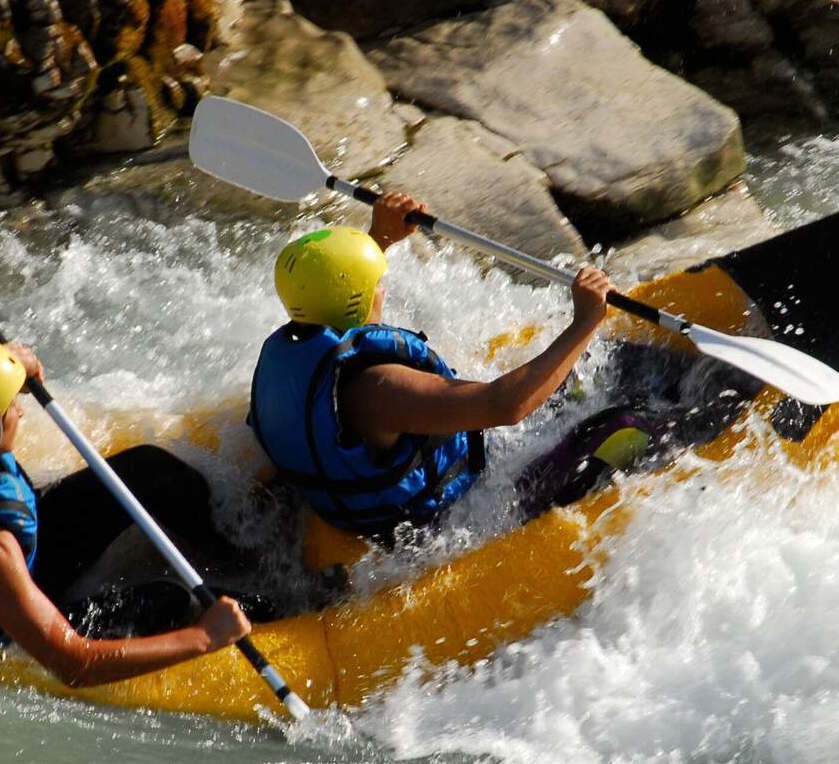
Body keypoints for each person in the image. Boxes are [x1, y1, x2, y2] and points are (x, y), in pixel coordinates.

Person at [0, 336, 254, 687]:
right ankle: (263, 611)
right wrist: (204, 636)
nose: (21, 410)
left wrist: (5, 364)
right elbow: (75, 664)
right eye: (10, 405)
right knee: (173, 600)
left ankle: (244, 554)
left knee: (150, 470)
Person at [249, 192, 615, 543]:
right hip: (436, 521)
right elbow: (506, 406)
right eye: (376, 283)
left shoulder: (295, 348)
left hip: (341, 497)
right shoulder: (379, 388)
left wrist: (380, 236)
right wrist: (584, 322)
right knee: (614, 424)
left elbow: (336, 285)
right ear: (357, 298)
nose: (384, 288)